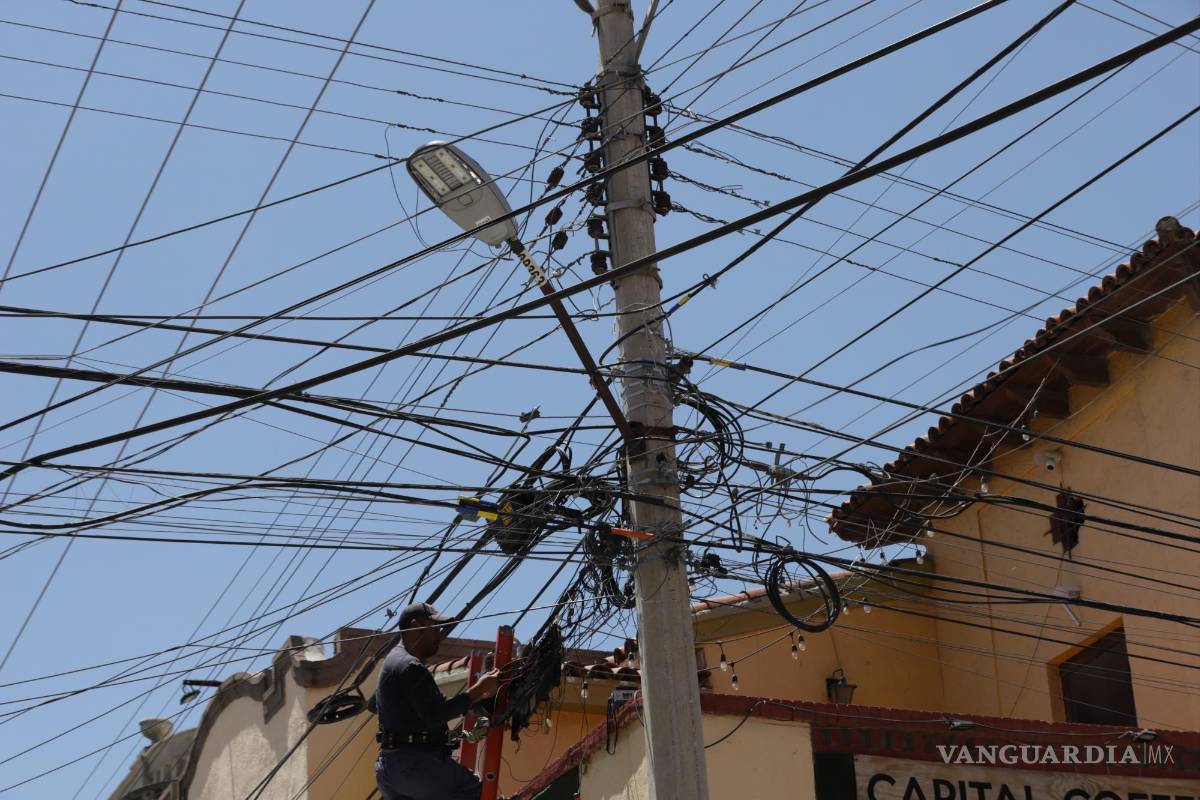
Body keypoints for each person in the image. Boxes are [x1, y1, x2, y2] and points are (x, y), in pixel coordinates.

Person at [374, 602, 500, 800]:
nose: (440, 637)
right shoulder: (410, 666)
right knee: (477, 793)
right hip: (415, 766)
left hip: (390, 769)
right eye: (435, 629)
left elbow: (378, 706)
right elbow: (435, 714)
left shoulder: (392, 662)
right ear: (415, 626)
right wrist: (480, 690)